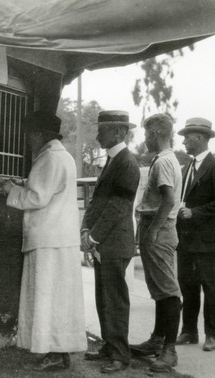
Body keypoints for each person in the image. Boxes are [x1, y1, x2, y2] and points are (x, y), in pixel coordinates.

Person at [0, 111, 87, 371]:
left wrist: (10, 189)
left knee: (47, 298)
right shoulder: (64, 157)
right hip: (61, 238)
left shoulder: (48, 158)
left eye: (29, 135)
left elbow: (37, 198)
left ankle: (53, 353)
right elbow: (49, 188)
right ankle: (60, 351)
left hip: (48, 239)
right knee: (60, 299)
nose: (27, 140)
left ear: (38, 134)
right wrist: (24, 183)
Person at [81, 110, 140, 374]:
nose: (97, 135)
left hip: (114, 243)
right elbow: (97, 202)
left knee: (114, 299)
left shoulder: (126, 163)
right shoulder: (114, 161)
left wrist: (92, 236)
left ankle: (120, 355)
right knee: (104, 297)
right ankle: (110, 346)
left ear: (118, 132)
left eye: (102, 130)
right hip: (106, 242)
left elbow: (117, 207)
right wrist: (85, 229)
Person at [130, 114, 182, 371]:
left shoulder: (162, 162)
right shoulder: (169, 159)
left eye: (148, 134)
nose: (145, 139)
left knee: (168, 291)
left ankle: (169, 351)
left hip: (158, 228)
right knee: (161, 290)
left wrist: (153, 230)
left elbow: (169, 200)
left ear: (157, 134)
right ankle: (157, 341)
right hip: (158, 227)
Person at [175, 117, 215, 352]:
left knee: (209, 286)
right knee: (187, 285)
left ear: (200, 138)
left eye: (188, 137)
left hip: (207, 240)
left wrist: (194, 213)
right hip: (186, 239)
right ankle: (189, 331)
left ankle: (211, 334)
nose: (184, 141)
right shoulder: (186, 167)